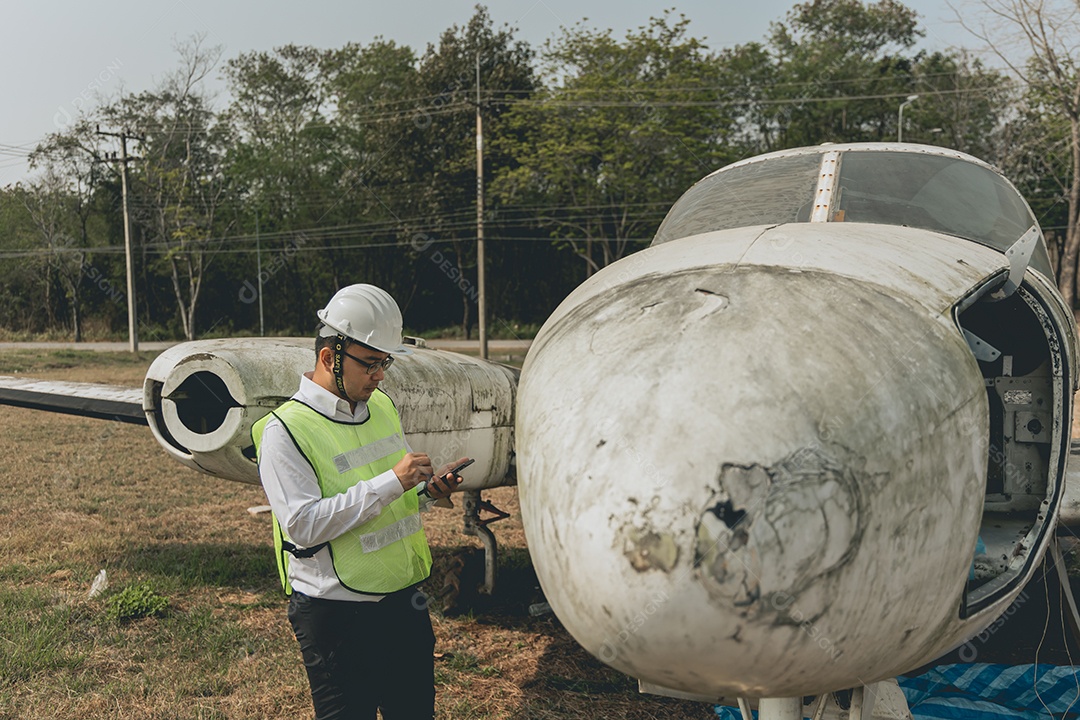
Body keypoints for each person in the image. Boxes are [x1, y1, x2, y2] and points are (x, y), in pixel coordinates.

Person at [252, 283, 467, 720]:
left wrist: (426, 492)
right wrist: (393, 481)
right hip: (337, 618)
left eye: (384, 363)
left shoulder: (382, 406)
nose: (380, 375)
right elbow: (303, 525)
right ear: (330, 357)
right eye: (370, 363)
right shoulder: (284, 431)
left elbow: (390, 502)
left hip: (403, 604)